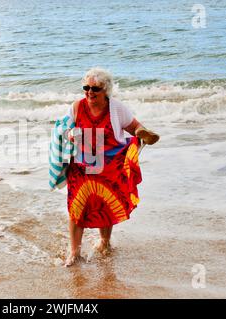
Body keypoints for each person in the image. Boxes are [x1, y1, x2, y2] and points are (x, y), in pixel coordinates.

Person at [64, 67, 159, 266]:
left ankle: (105, 243)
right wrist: (70, 134)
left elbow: (133, 126)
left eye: (95, 89)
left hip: (108, 165)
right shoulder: (76, 106)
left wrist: (141, 132)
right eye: (86, 87)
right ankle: (74, 253)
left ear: (105, 90)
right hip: (81, 166)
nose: (89, 92)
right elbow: (64, 129)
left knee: (105, 205)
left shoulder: (116, 107)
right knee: (76, 208)